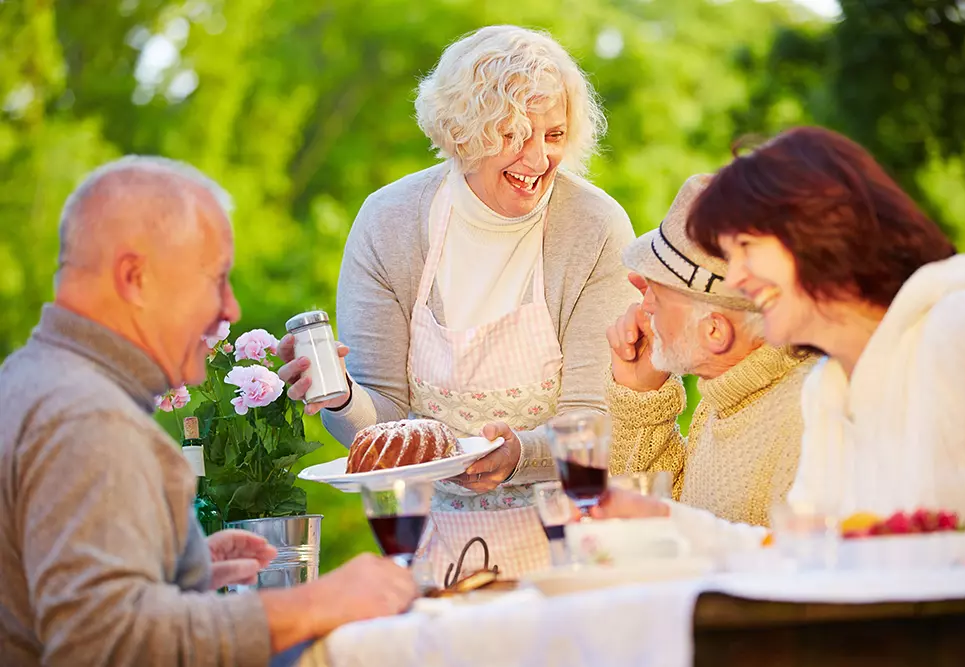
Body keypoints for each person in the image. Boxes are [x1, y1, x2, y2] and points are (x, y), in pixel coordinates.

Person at [0, 157, 416, 667]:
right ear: (135, 278)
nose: (231, 309)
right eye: (215, 279)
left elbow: (50, 597)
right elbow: (105, 643)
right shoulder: (89, 418)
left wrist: (172, 575)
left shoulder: (28, 380)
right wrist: (313, 603)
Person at [278, 25, 635, 577]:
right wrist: (343, 397)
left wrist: (521, 453)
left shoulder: (594, 227)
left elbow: (593, 418)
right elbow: (385, 430)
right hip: (435, 547)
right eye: (514, 135)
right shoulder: (388, 223)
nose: (538, 159)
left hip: (574, 546)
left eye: (555, 134)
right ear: (463, 130)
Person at [685, 126, 965, 530]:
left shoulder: (963, 328)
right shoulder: (827, 388)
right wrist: (661, 519)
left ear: (820, 227)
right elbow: (798, 556)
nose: (735, 279)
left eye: (746, 247)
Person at [606, 175, 816, 527]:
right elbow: (667, 532)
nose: (644, 305)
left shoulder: (803, 421)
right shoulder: (724, 393)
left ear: (715, 330)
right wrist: (642, 397)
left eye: (658, 291)